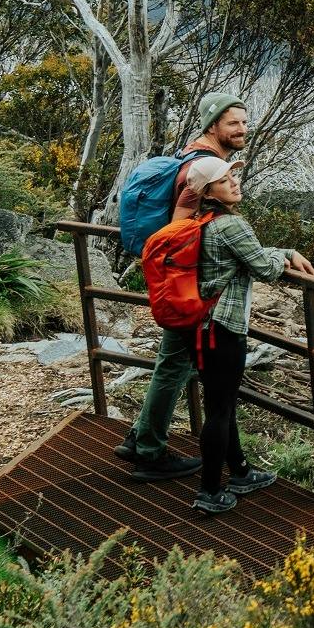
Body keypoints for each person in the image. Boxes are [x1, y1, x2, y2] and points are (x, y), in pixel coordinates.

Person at [116, 92, 251, 479]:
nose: (242, 129)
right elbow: (180, 228)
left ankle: (141, 437)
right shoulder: (200, 167)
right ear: (213, 125)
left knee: (172, 362)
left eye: (244, 122)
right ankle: (149, 451)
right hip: (188, 288)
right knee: (174, 364)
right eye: (233, 123)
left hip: (181, 283)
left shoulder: (195, 157)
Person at [173, 153, 314, 516]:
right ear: (209, 192)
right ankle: (209, 491)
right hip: (222, 328)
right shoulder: (231, 225)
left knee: (221, 404)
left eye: (233, 177)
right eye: (224, 180)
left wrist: (284, 251)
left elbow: (246, 255)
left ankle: (240, 472)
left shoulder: (201, 221)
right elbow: (264, 268)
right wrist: (283, 258)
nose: (234, 183)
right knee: (220, 410)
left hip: (201, 326)